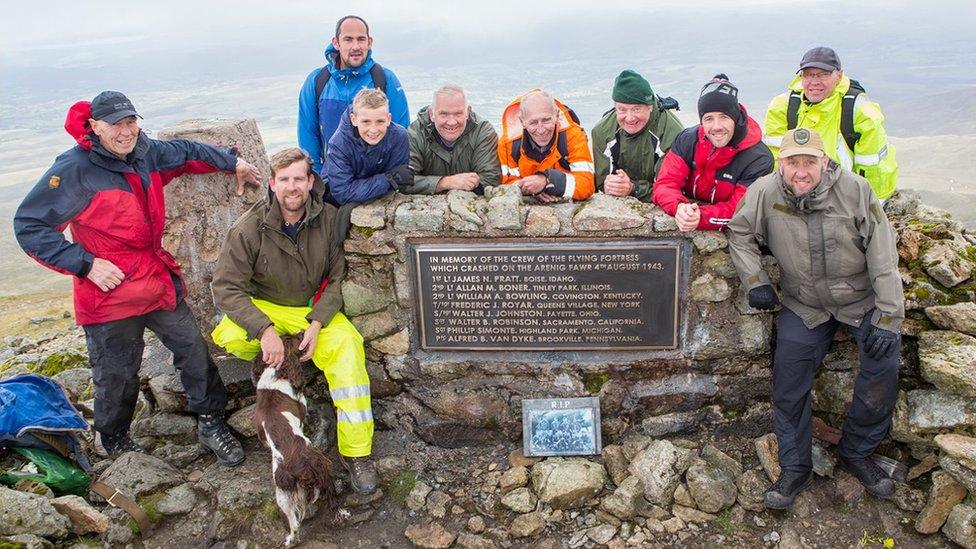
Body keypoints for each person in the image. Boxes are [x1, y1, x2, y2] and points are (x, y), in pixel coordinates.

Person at [14, 91, 261, 465]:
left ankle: (211, 423)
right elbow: (30, 225)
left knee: (194, 352)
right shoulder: (74, 170)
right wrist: (85, 264)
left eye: (131, 121)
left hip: (155, 280)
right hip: (106, 291)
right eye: (115, 124)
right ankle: (115, 440)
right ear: (94, 127)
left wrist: (232, 162)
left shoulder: (144, 153)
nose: (126, 131)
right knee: (116, 373)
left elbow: (186, 153)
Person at [727, 128, 903, 509]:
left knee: (882, 368)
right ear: (781, 164)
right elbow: (739, 232)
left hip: (861, 300)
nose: (801, 171)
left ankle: (858, 452)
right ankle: (795, 466)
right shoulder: (764, 192)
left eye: (809, 162)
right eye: (793, 162)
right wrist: (755, 280)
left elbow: (883, 255)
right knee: (788, 379)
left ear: (825, 162)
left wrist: (889, 315)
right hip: (805, 304)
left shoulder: (857, 191)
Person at [210, 147, 378, 494]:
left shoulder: (329, 219)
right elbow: (226, 287)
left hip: (308, 310)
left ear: (310, 181)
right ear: (272, 183)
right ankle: (284, 363)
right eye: (284, 179)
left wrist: (316, 323)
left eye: (298, 179)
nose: (292, 187)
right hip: (265, 309)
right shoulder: (248, 228)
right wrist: (264, 330)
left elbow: (335, 277)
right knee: (229, 335)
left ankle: (356, 454)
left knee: (348, 347)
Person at [764, 47, 898, 200]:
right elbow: (775, 160)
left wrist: (870, 207)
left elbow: (874, 168)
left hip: (845, 197)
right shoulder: (782, 107)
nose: (814, 82)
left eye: (823, 74)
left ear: (839, 75)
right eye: (808, 74)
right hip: (796, 194)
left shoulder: (860, 111)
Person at [652, 75, 773, 231]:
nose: (716, 127)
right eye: (709, 118)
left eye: (724, 117)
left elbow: (741, 210)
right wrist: (679, 207)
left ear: (736, 119)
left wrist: (701, 217)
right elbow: (665, 183)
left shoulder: (758, 159)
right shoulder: (687, 140)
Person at [298, 15, 409, 174]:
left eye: (361, 39)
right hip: (332, 180)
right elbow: (307, 135)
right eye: (348, 39)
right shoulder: (317, 81)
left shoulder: (385, 79)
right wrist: (320, 181)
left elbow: (401, 130)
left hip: (379, 181)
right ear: (336, 43)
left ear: (369, 42)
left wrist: (389, 179)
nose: (355, 46)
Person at [591, 69, 684, 202]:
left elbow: (671, 188)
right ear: (615, 106)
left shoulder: (672, 133)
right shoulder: (602, 132)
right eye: (622, 109)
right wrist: (611, 185)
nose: (629, 118)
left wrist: (633, 189)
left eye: (636, 109)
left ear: (650, 106)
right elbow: (602, 182)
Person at [497, 89, 595, 202]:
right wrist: (531, 190)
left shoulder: (574, 136)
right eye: (533, 122)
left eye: (546, 120)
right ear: (522, 122)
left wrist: (547, 181)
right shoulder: (507, 144)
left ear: (557, 116)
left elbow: (587, 185)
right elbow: (506, 183)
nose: (541, 130)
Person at [405, 84, 501, 194]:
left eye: (458, 114)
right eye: (444, 114)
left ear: (467, 113)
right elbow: (405, 181)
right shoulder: (416, 133)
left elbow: (490, 180)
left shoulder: (482, 132)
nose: (451, 122)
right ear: (432, 114)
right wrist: (445, 182)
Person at [323, 88, 410, 206]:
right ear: (354, 119)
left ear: (389, 119)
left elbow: (399, 181)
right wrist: (388, 179)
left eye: (380, 121)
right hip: (332, 199)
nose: (373, 130)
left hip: (375, 195)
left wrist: (392, 179)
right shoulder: (339, 144)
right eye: (366, 122)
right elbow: (342, 193)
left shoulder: (399, 137)